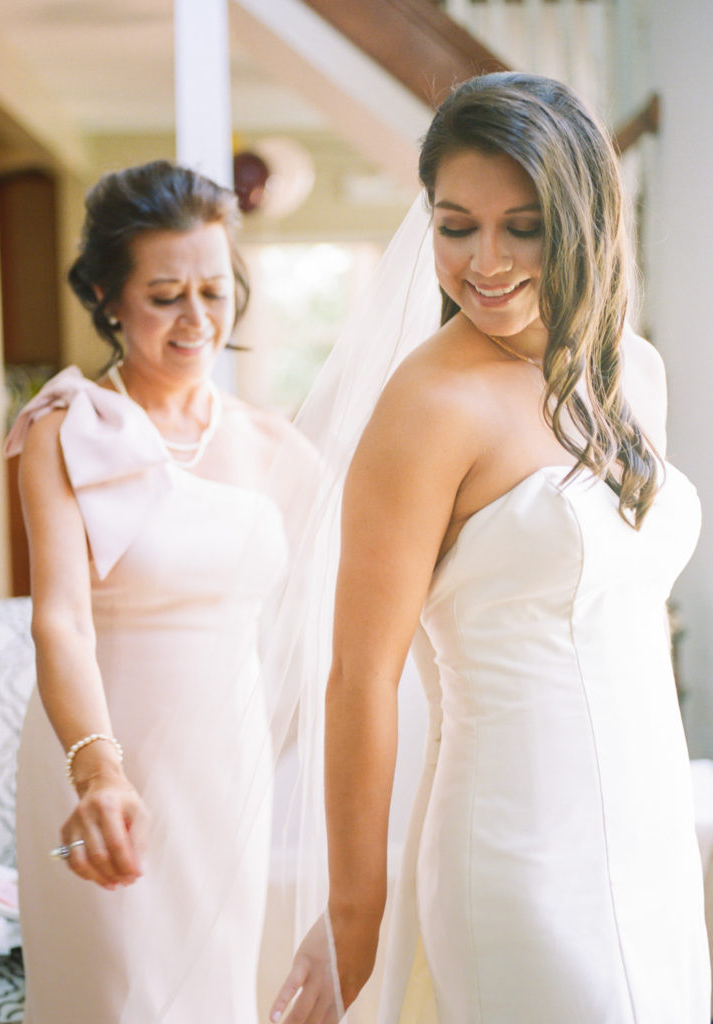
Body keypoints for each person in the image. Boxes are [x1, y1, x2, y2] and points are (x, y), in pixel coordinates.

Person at [270, 72, 710, 1023]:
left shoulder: (634, 373)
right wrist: (354, 911)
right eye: (456, 226)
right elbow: (359, 678)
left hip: (650, 830)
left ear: (583, 222)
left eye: (524, 226)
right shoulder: (427, 407)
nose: (486, 262)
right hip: (518, 845)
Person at [5, 160, 313, 1023]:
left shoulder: (273, 443)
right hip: (98, 765)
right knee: (120, 997)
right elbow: (59, 622)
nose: (196, 318)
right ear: (108, 297)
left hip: (226, 771)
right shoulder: (67, 429)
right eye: (165, 295)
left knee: (215, 991)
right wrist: (100, 774)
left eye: (213, 291)